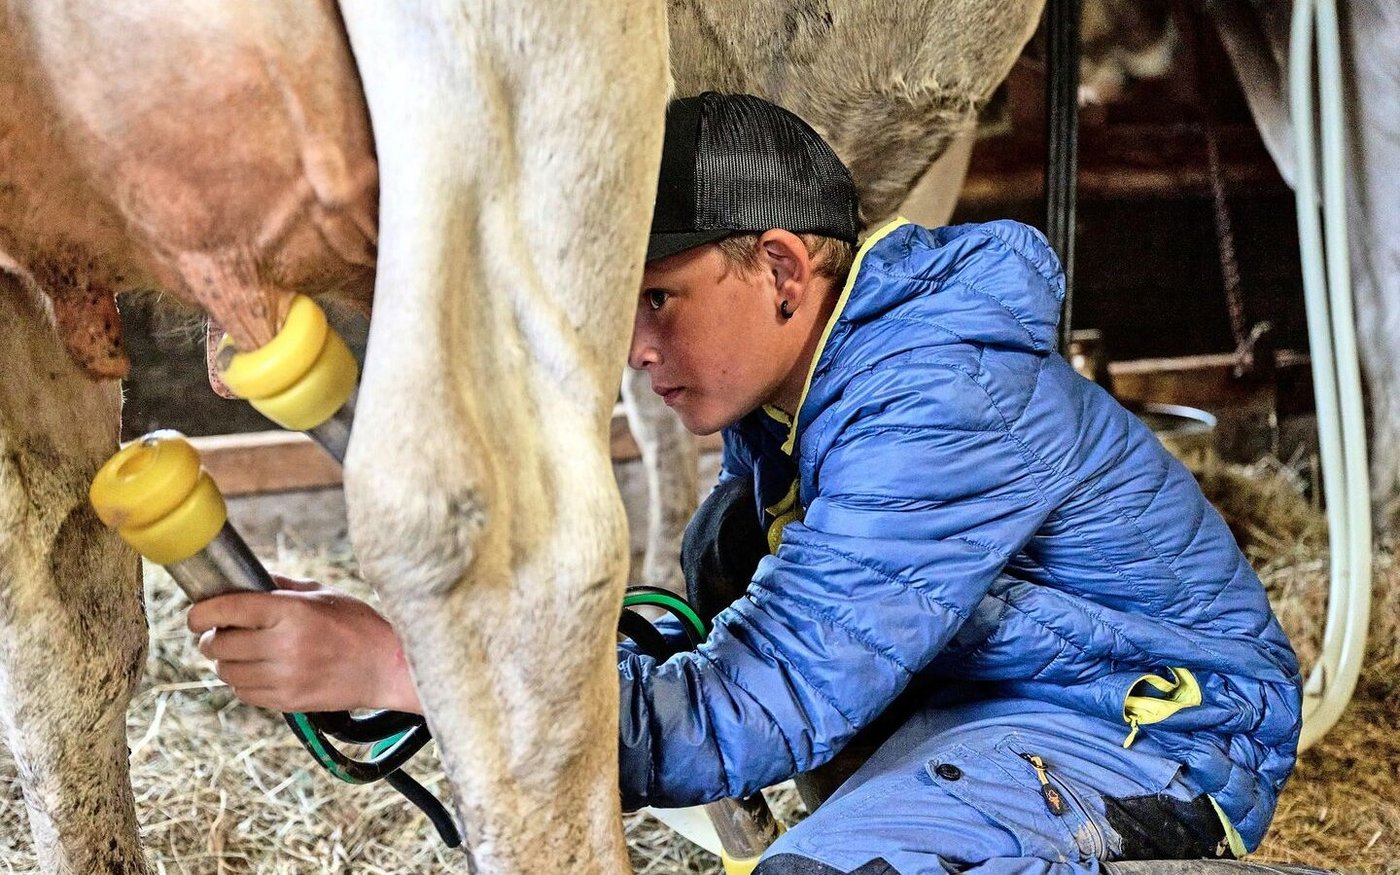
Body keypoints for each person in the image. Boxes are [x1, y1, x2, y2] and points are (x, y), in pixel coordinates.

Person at [188, 92, 1302, 874]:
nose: (632, 348)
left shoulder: (931, 398)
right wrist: (421, 648)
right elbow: (734, 661)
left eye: (657, 297)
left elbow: (749, 706)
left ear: (778, 267)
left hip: (1150, 735)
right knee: (724, 552)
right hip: (979, 708)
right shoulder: (798, 402)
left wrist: (405, 665)